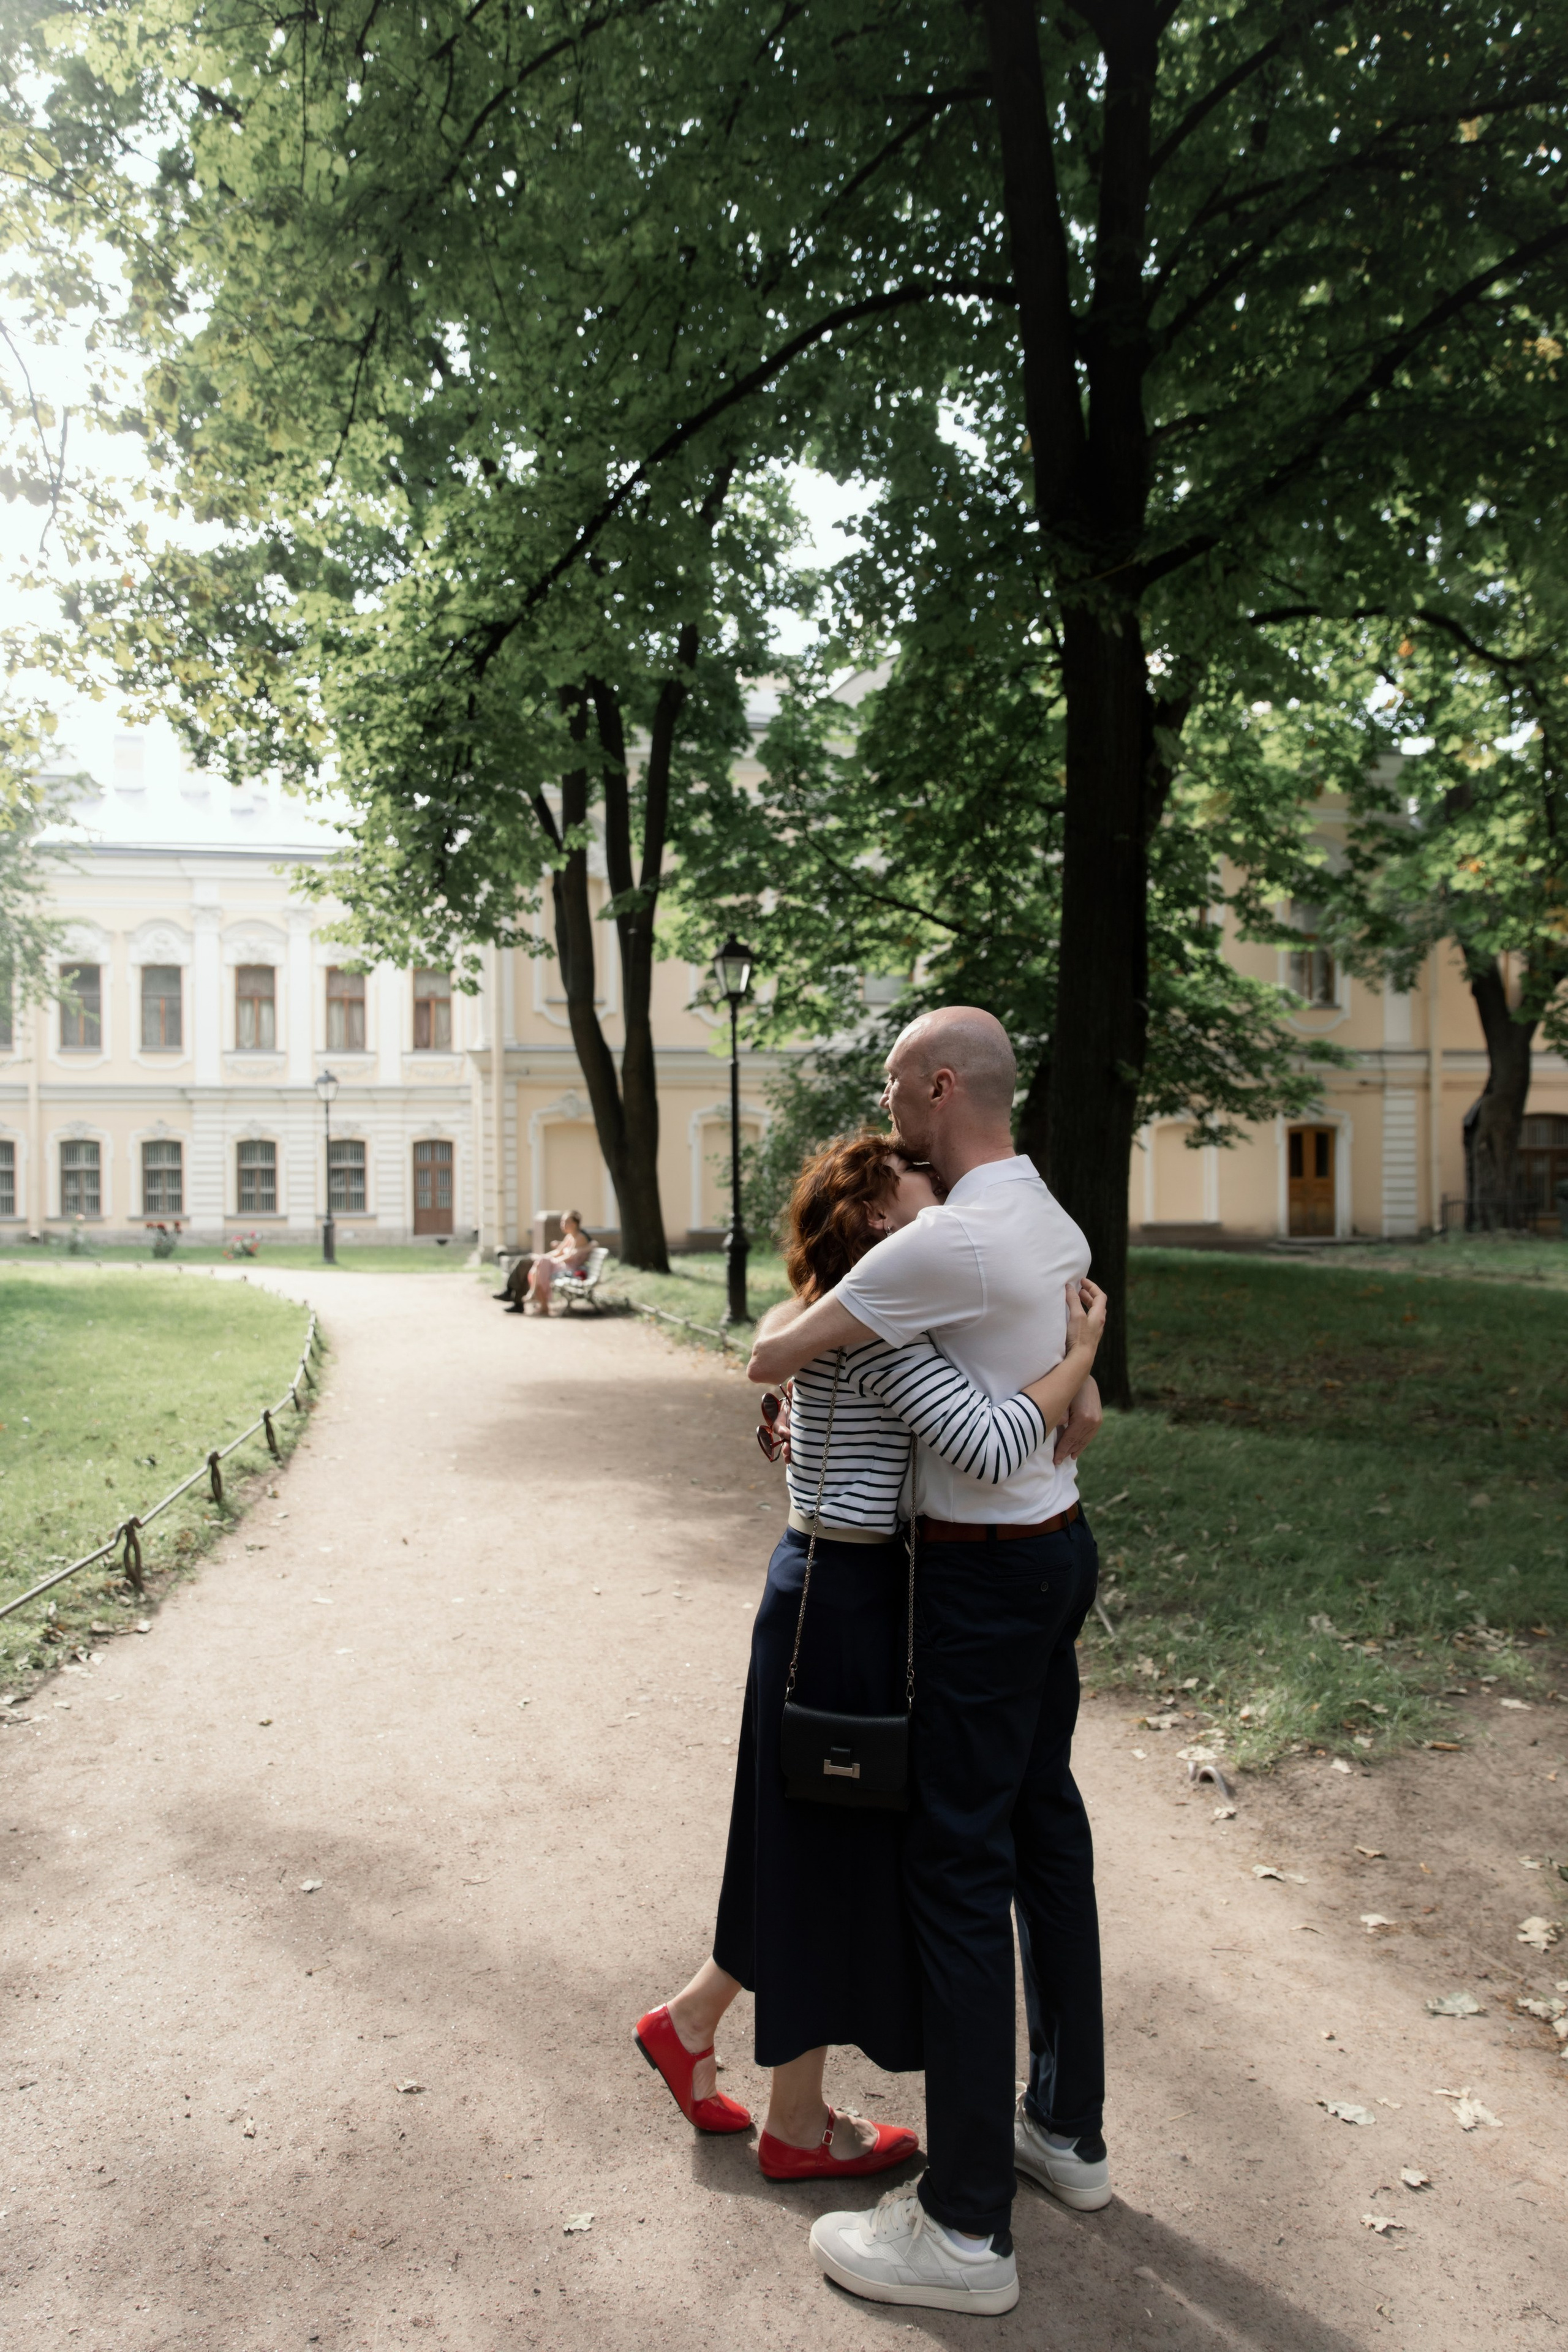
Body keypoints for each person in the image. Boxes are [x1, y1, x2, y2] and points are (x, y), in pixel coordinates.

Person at [633, 1131, 1107, 2192]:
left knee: (804, 1842)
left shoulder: (829, 1312)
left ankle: (697, 2024)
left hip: (825, 1590)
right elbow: (988, 1447)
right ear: (880, 1220)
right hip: (844, 1601)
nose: (945, 1213)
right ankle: (791, 2120)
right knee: (820, 1854)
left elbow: (789, 1348)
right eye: (924, 1196)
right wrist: (1081, 1360)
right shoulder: (883, 1333)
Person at [747, 1008, 1106, 2318]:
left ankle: (963, 2231)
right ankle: (1064, 2133)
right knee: (1043, 1837)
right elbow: (1082, 1425)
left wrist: (790, 1383)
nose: (882, 1104)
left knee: (956, 1876)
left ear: (938, 1087)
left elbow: (775, 1346)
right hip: (1058, 1556)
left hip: (976, 1580)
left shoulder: (938, 1239)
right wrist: (1073, 1368)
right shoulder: (1049, 1219)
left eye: (895, 1086)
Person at [497, 1210, 592, 1315]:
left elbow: (580, 1250)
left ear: (575, 1224)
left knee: (530, 1264)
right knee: (534, 1264)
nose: (563, 1225)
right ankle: (518, 1296)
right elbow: (558, 1252)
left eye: (566, 1222)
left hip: (563, 1268)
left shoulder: (579, 1237)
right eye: (562, 1222)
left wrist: (543, 1258)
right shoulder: (570, 1237)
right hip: (554, 1264)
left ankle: (515, 1293)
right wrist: (542, 1257)